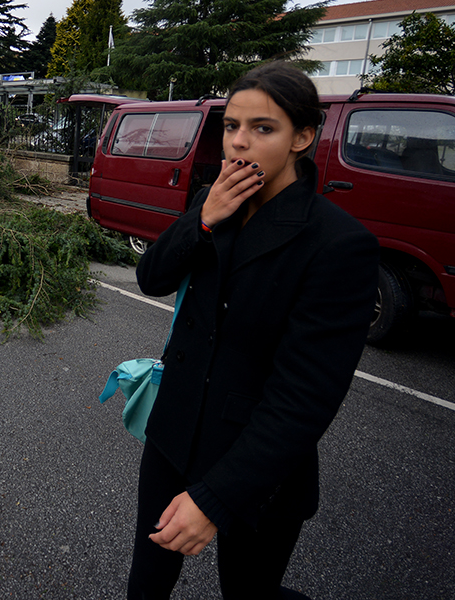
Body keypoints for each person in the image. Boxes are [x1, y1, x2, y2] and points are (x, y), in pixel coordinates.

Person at [127, 61, 379, 600]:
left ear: (302, 138)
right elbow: (152, 277)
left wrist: (217, 498)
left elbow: (305, 397)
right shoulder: (214, 201)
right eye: (231, 126)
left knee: (249, 591)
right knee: (146, 585)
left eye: (263, 129)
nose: (239, 144)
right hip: (173, 437)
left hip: (258, 469)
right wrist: (202, 219)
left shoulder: (337, 243)